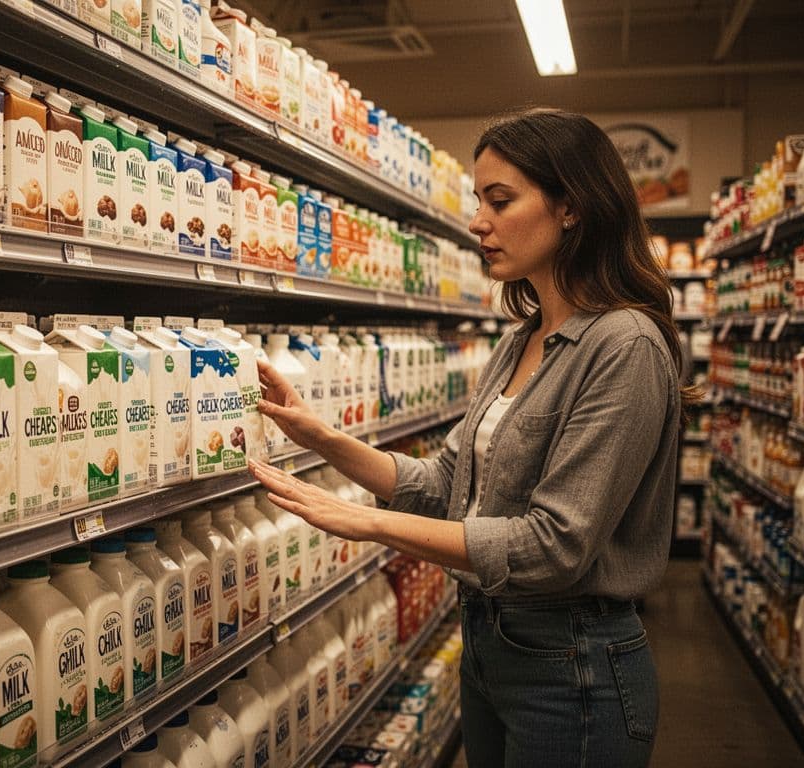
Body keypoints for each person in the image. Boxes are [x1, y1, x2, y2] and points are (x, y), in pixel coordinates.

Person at [248, 107, 701, 768]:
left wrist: (368, 525)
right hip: (490, 643)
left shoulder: (623, 345)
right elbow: (444, 483)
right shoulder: (521, 340)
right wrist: (322, 440)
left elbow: (556, 546)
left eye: (501, 200)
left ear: (571, 207)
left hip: (572, 664)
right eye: (478, 201)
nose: (477, 222)